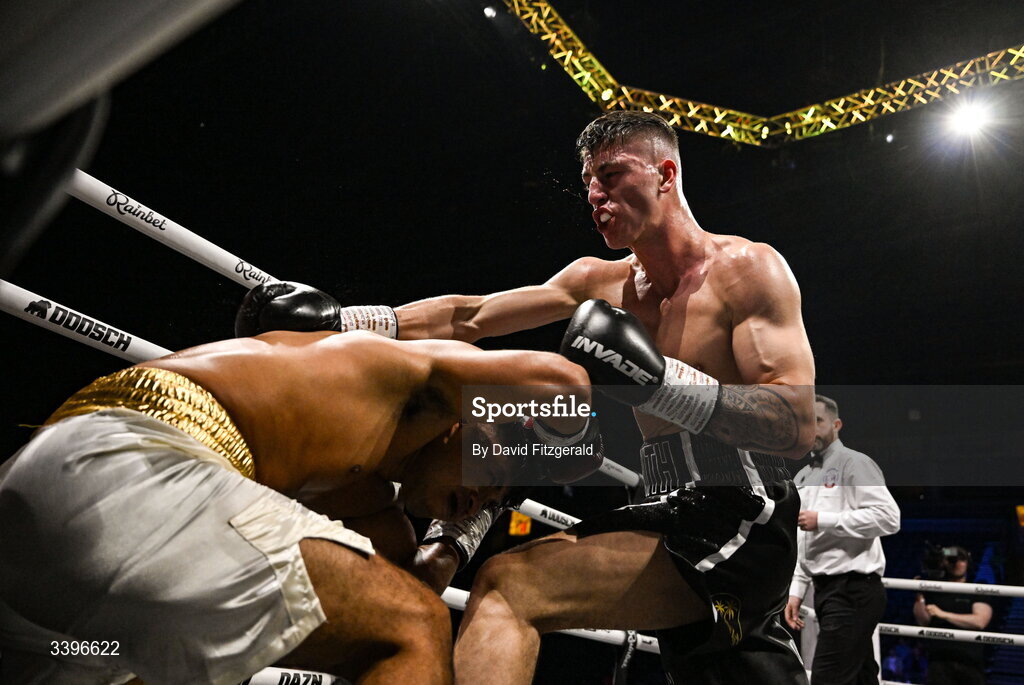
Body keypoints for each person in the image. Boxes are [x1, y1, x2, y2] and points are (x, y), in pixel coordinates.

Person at [320, 109, 815, 684]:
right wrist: (344, 322)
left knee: (510, 586)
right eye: (588, 184)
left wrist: (660, 383)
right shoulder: (596, 281)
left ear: (665, 173)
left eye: (611, 175)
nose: (596, 194)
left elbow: (796, 419)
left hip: (742, 506)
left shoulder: (747, 269)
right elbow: (471, 315)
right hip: (670, 508)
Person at [0, 321, 603, 685]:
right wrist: (578, 444)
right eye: (493, 469)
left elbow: (405, 590)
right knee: (412, 630)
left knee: (150, 661)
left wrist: (461, 533)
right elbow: (565, 383)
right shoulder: (416, 379)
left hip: (51, 584)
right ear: (468, 418)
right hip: (132, 470)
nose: (481, 495)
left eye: (491, 500)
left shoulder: (362, 493)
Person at [783, 394, 901, 685]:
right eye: (806, 422)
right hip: (826, 591)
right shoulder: (802, 477)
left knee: (827, 677)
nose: (811, 428)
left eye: (818, 421)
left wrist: (824, 520)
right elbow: (803, 540)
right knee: (861, 677)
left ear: (836, 425)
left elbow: (889, 518)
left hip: (854, 591)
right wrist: (797, 591)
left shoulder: (855, 464)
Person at [913, 545, 992, 685]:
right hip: (939, 658)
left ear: (968, 562)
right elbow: (923, 621)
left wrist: (943, 614)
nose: (957, 563)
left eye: (961, 559)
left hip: (969, 659)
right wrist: (919, 595)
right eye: (951, 560)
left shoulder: (977, 587)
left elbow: (980, 621)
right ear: (943, 563)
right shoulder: (935, 588)